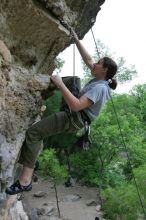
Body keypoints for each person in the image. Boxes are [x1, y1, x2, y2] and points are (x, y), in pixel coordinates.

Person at [5, 31, 118, 195]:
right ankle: (31, 159)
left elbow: (77, 105)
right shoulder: (101, 80)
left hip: (71, 119)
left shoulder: (99, 88)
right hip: (74, 114)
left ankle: (25, 181)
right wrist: (75, 38)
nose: (94, 65)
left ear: (104, 70)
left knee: (34, 133)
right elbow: (88, 60)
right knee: (73, 80)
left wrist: (59, 83)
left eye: (98, 64)